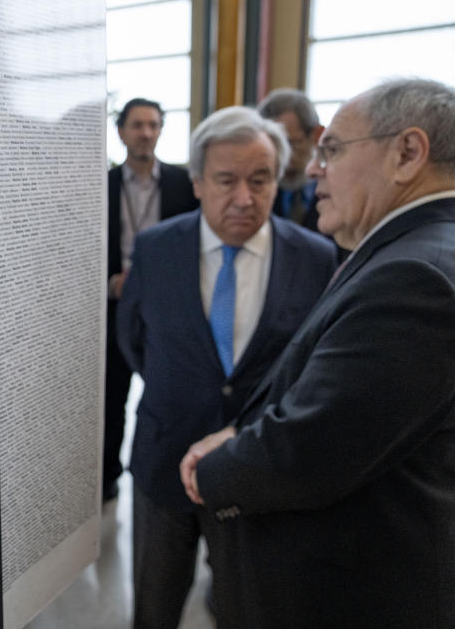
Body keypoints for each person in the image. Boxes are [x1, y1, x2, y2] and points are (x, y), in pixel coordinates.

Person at [180, 78, 455, 628]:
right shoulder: (410, 251)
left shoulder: (415, 274)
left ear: (407, 154)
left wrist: (213, 472)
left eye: (332, 150)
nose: (311, 169)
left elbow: (313, 448)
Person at [116, 106, 336, 628]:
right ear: (195, 181)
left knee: (248, 608)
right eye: (226, 180)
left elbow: (311, 362)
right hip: (165, 456)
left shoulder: (314, 257)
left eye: (259, 180)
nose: (244, 197)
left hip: (257, 469)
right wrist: (183, 388)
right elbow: (133, 340)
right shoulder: (156, 248)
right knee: (154, 604)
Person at [104, 97, 198, 501]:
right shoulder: (100, 185)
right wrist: (107, 284)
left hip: (165, 309)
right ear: (121, 131)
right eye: (138, 125)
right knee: (110, 396)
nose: (146, 133)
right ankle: (106, 477)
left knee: (168, 393)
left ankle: (171, 476)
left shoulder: (184, 184)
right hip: (110, 306)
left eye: (154, 125)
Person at [257, 88, 325, 231]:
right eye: (271, 146)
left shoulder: (338, 191)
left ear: (316, 135)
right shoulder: (255, 195)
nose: (279, 156)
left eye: (290, 143)